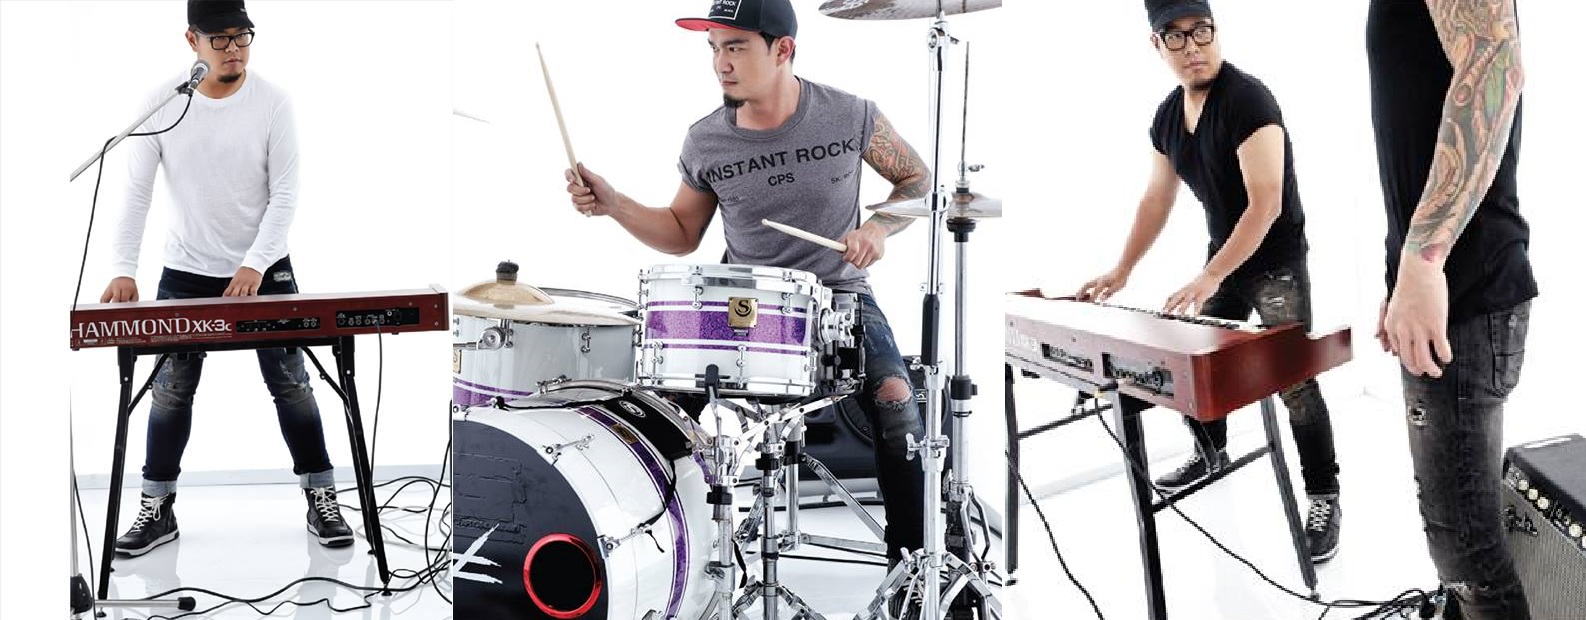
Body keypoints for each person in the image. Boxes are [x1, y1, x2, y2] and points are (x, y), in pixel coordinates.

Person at [562, 0, 932, 564]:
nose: (721, 64)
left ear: (783, 49)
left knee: (896, 399)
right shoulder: (706, 141)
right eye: (714, 49)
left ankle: (914, 566)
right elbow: (682, 232)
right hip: (745, 303)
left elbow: (916, 181)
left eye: (735, 47)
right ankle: (657, 559)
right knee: (658, 413)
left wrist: (879, 228)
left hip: (839, 294)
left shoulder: (850, 115)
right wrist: (614, 204)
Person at [1075, 0, 1344, 562]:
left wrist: (1209, 275)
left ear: (1216, 31)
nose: (1192, 46)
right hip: (1221, 260)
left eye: (1200, 31)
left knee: (1294, 381)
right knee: (1194, 361)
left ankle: (1324, 495)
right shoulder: (1167, 118)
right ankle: (1211, 452)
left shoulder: (1249, 99)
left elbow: (1266, 202)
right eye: (1175, 36)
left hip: (1275, 262)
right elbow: (1157, 198)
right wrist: (1121, 270)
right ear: (1157, 45)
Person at [102, 0, 352, 557]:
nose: (234, 49)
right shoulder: (162, 103)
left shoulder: (273, 102)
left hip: (265, 268)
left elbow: (285, 193)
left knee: (291, 384)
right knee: (169, 390)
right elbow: (136, 192)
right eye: (221, 39)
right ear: (192, 40)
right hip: (186, 269)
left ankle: (322, 498)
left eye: (243, 36)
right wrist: (122, 269)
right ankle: (157, 509)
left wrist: (255, 264)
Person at [1367, 0, 1533, 616]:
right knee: (1458, 543)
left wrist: (1423, 261)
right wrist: (1402, 275)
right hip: (1442, 288)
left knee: (1468, 556)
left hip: (1466, 291)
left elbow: (1495, 61)